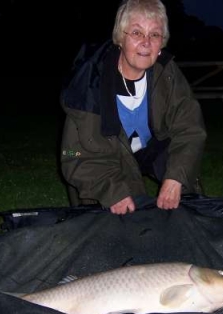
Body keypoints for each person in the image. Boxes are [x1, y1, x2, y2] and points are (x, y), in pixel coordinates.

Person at [60, 0, 206, 215]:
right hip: (109, 157)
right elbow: (72, 153)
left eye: (154, 35)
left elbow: (190, 129)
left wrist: (175, 178)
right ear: (120, 38)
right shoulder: (89, 85)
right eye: (137, 33)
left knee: (185, 191)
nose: (146, 43)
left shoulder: (167, 73)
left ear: (161, 44)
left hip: (152, 147)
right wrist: (112, 192)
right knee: (119, 218)